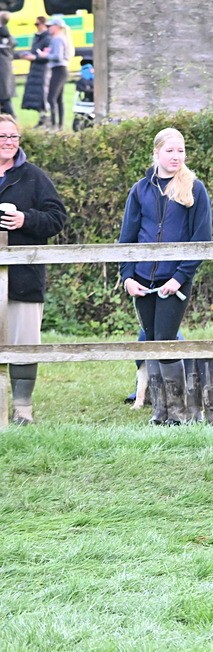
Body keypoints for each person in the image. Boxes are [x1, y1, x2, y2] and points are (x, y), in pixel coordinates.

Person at [118, 128, 213, 426]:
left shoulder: (194, 189)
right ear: (156, 153)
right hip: (143, 279)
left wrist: (180, 277)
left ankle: (178, 411)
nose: (176, 156)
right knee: (150, 340)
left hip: (175, 281)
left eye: (181, 151)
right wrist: (127, 276)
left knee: (166, 339)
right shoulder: (140, 190)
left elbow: (201, 238)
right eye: (170, 151)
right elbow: (128, 236)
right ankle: (160, 412)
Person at [0, 114, 67, 425]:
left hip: (24, 279)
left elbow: (56, 218)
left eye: (13, 137)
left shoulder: (34, 177)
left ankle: (22, 408)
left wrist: (25, 220)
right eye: (3, 136)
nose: (9, 142)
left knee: (24, 343)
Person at [41, 16, 71, 131]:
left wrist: (45, 55)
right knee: (59, 98)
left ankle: (54, 125)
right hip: (62, 69)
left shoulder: (57, 38)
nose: (48, 28)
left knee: (51, 98)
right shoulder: (61, 37)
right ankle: (60, 125)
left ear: (57, 27)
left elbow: (58, 57)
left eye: (50, 26)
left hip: (58, 69)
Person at [20, 16, 51, 127]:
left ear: (43, 24)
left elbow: (48, 55)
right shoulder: (37, 37)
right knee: (38, 95)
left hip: (43, 69)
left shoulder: (47, 38)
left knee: (43, 94)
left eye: (37, 24)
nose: (36, 27)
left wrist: (35, 58)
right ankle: (42, 117)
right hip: (36, 69)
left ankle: (46, 118)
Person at [0, 13, 16, 116]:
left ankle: (13, 120)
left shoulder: (3, 33)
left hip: (2, 69)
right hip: (5, 68)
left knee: (4, 98)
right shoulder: (7, 35)